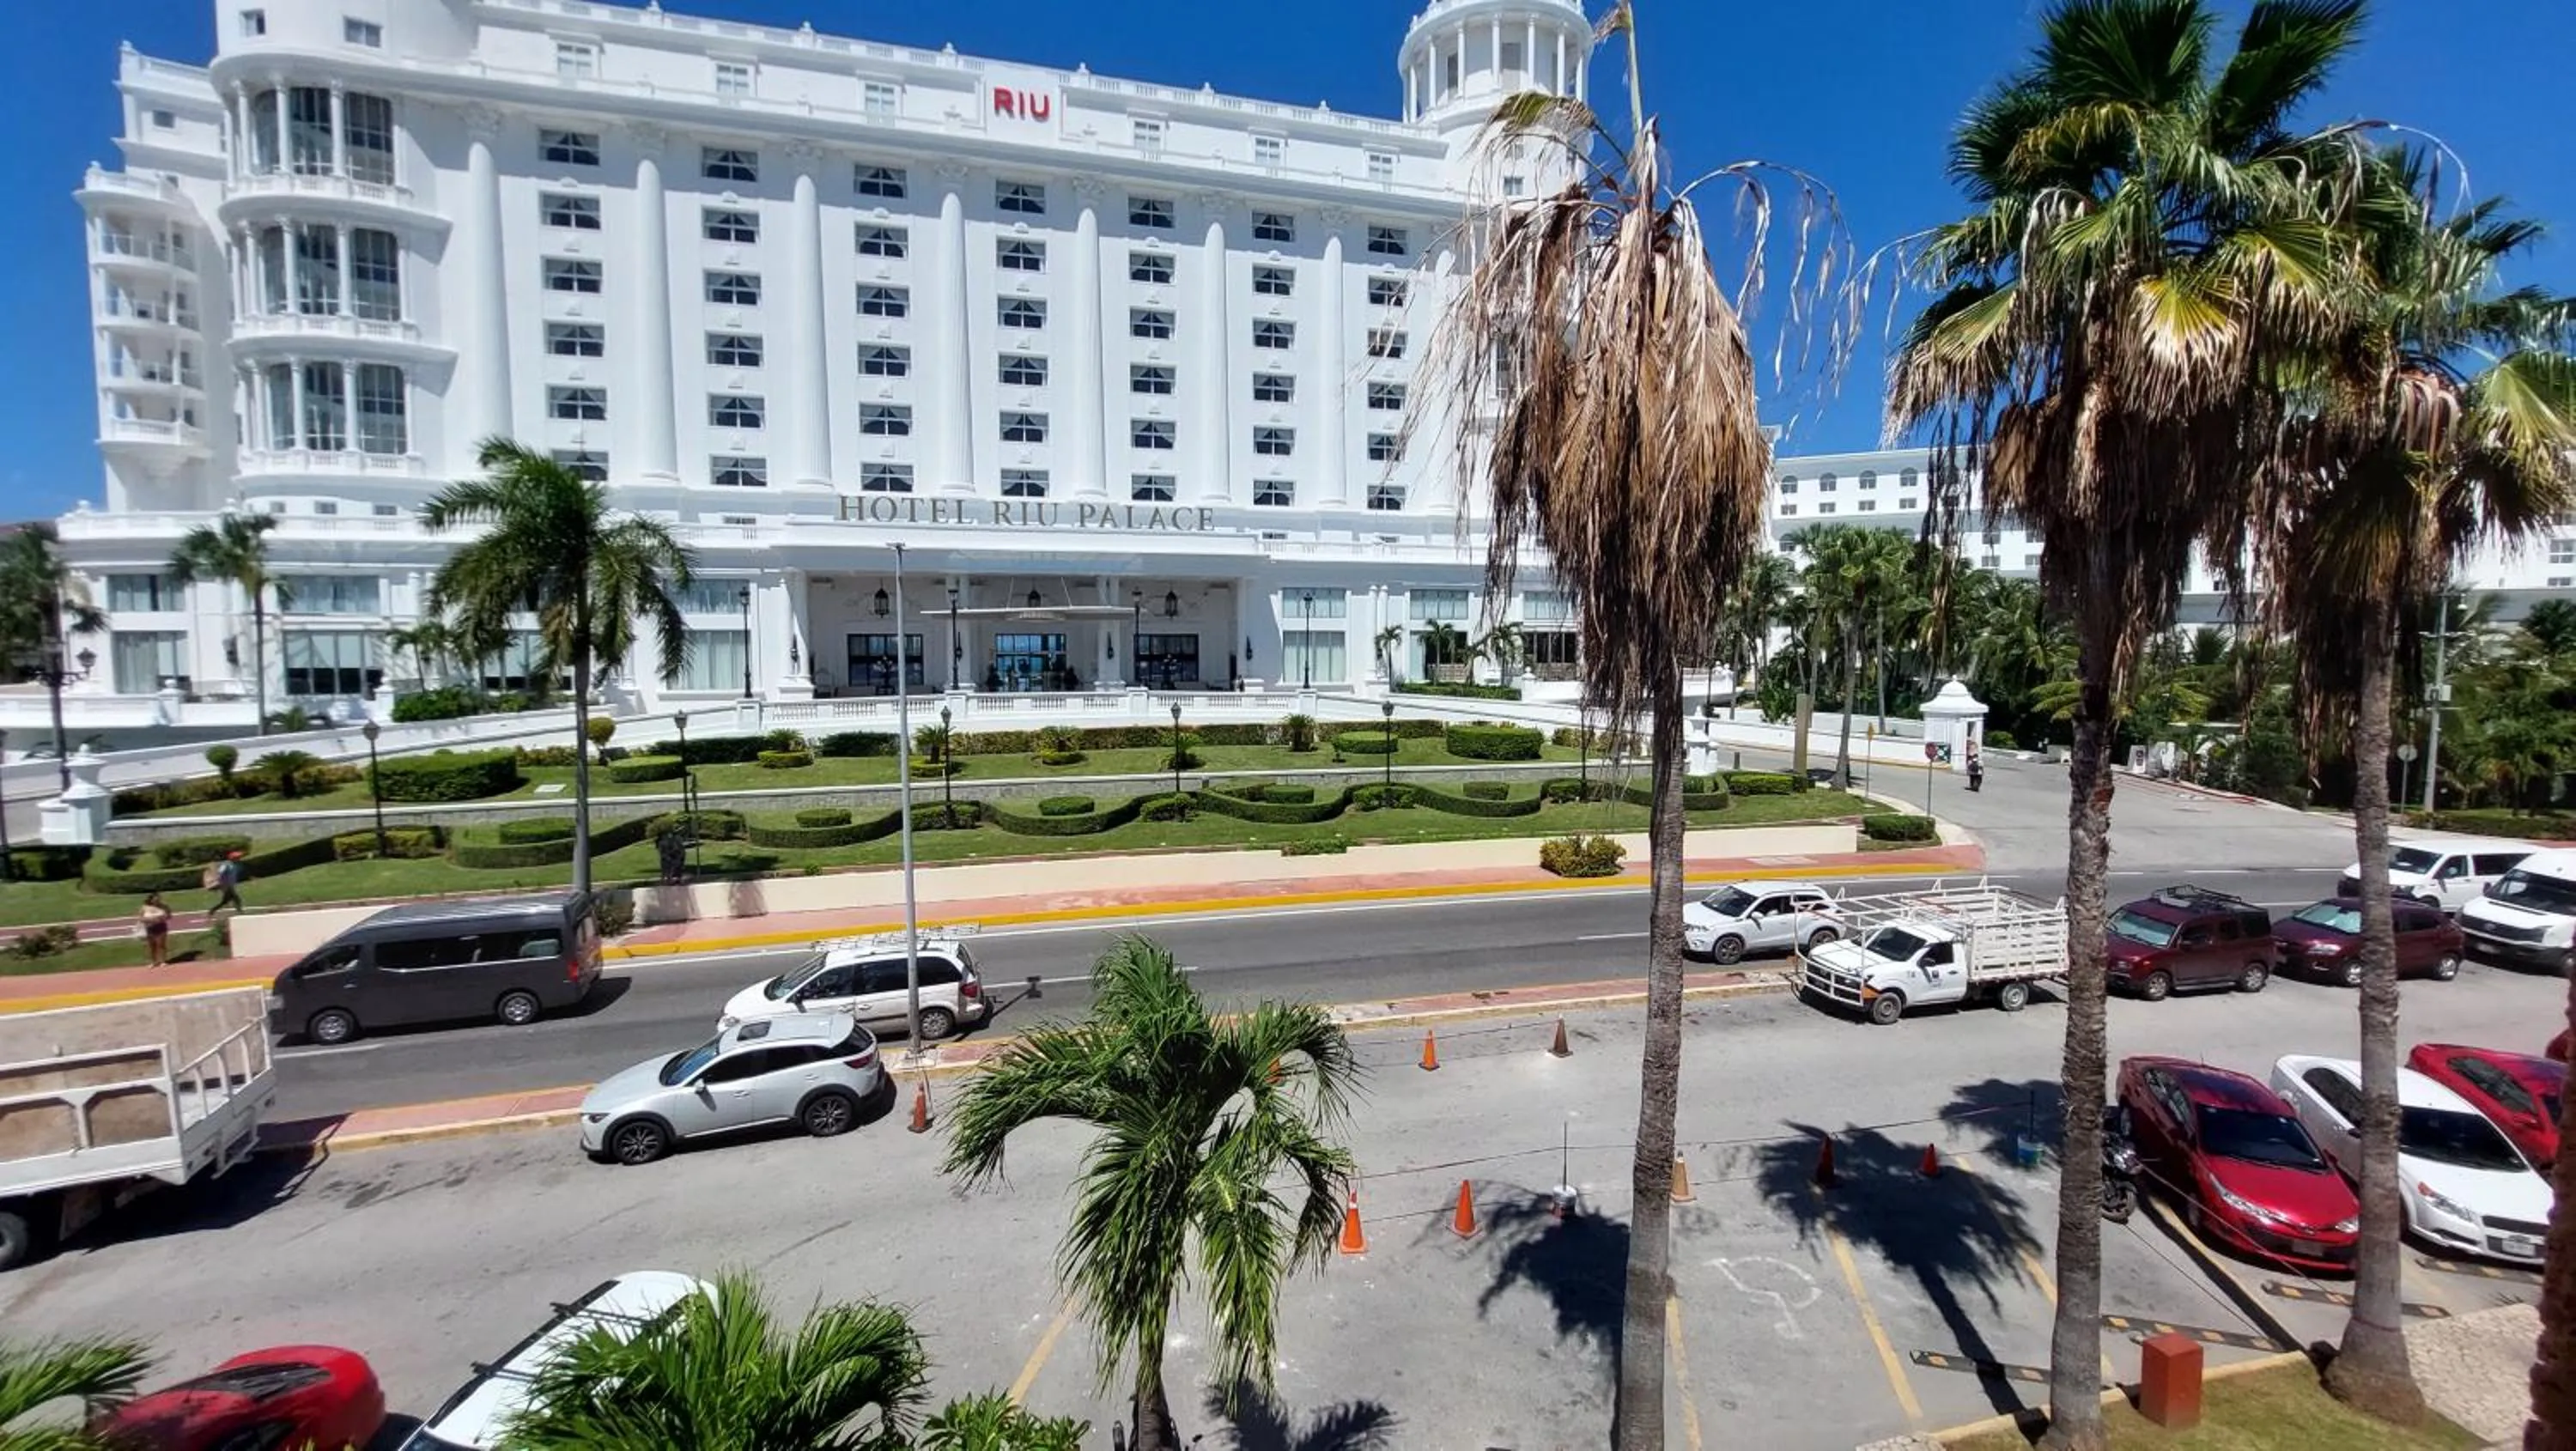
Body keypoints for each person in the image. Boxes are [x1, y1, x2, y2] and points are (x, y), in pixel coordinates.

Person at [138, 892, 172, 967]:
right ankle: (153, 962)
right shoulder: (144, 907)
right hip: (150, 928)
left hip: (161, 927)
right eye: (156, 899)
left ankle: (163, 961)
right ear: (151, 900)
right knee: (152, 946)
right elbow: (140, 918)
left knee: (161, 945)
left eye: (159, 899)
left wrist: (162, 918)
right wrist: (149, 919)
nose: (157, 901)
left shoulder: (164, 906)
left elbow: (169, 916)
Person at [210, 850, 244, 914]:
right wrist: (218, 883)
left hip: (230, 885)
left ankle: (213, 910)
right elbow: (220, 872)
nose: (239, 859)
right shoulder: (226, 864)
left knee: (225, 901)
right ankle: (240, 911)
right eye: (238, 857)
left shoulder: (235, 865)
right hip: (226, 885)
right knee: (236, 898)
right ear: (233, 858)